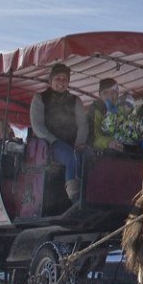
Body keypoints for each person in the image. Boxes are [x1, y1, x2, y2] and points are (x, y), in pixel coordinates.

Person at [29, 63, 90, 206]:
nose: (61, 82)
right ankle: (75, 196)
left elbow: (83, 124)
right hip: (49, 144)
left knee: (90, 156)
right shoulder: (40, 98)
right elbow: (37, 126)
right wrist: (53, 141)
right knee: (71, 156)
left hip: (73, 143)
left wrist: (79, 143)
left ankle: (92, 193)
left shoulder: (76, 100)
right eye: (58, 78)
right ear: (51, 81)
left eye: (65, 79)